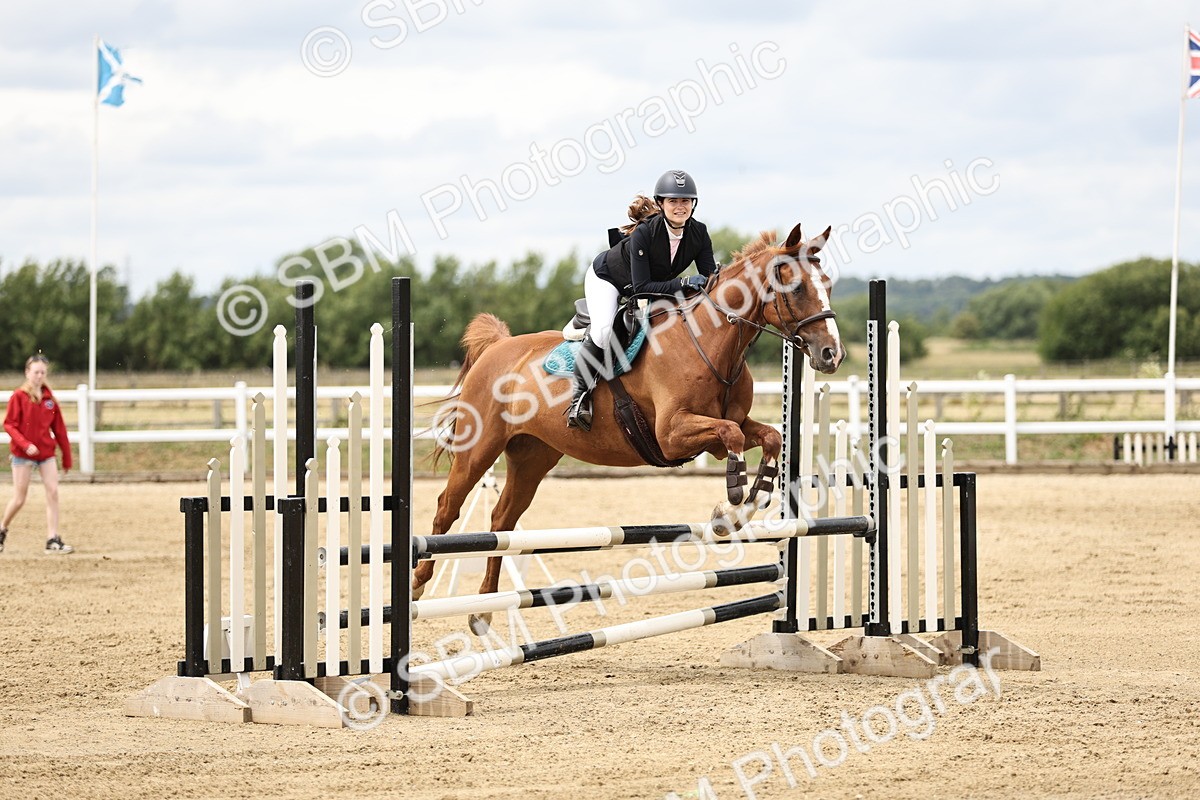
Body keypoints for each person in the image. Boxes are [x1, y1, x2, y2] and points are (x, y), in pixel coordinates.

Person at [567, 169, 718, 430]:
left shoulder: (699, 233)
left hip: (651, 286)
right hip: (609, 279)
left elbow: (710, 277)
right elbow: (641, 287)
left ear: (694, 204)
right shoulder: (645, 234)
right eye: (673, 201)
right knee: (603, 332)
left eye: (685, 201)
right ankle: (579, 397)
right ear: (661, 204)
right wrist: (683, 283)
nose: (680, 207)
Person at [1, 354, 74, 554]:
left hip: (45, 453)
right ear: (27, 373)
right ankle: (2, 528)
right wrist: (25, 445)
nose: (39, 376)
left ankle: (52, 538)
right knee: (19, 497)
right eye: (36, 372)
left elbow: (60, 430)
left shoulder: (50, 399)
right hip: (22, 454)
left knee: (53, 491)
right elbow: (9, 424)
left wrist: (67, 456)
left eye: (43, 372)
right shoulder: (19, 397)